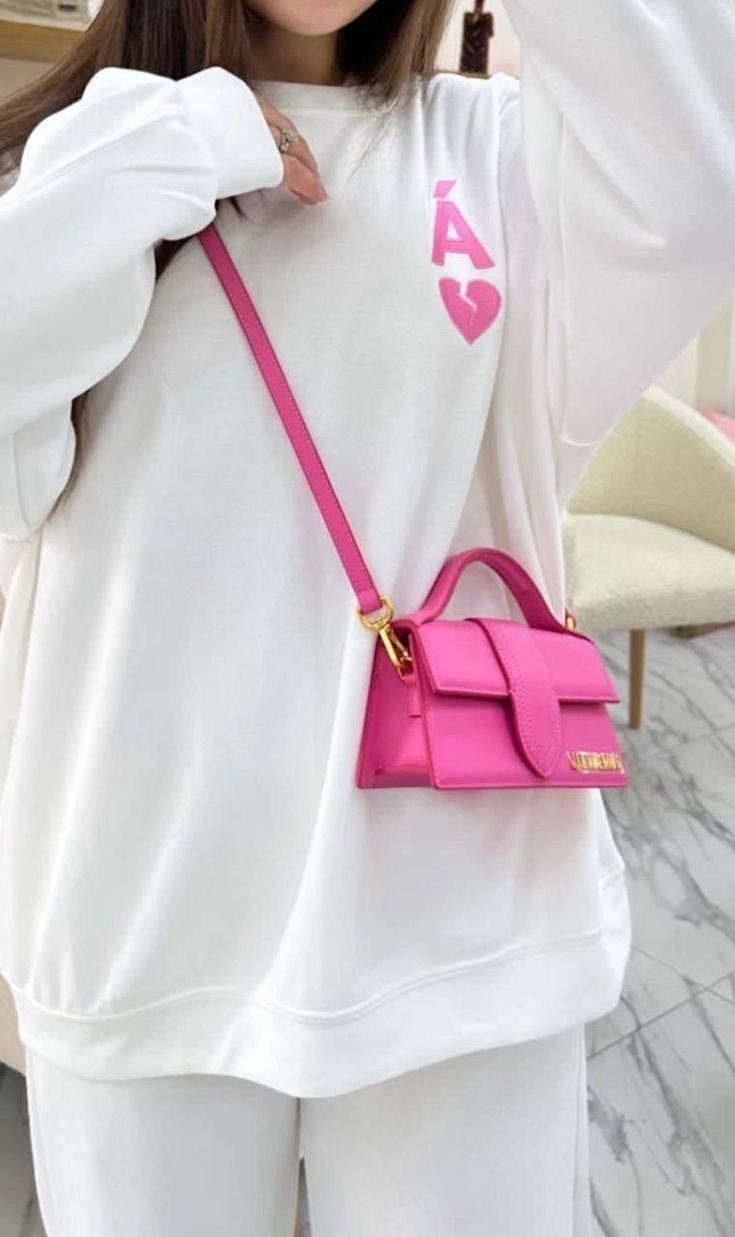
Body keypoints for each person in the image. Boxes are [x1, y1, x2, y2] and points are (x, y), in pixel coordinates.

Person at [0, 0, 733, 1233]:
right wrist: (183, 141)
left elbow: (702, 173)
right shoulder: (77, 157)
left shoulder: (508, 154)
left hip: (466, 931)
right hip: (147, 912)